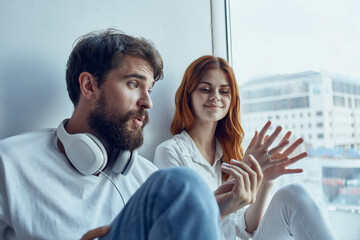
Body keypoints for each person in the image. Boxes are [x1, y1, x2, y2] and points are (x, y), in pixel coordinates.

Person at [0, 30, 228, 240]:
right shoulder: (9, 164)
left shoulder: (146, 177)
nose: (148, 102)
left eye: (149, 90)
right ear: (89, 86)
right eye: (133, 84)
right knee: (184, 183)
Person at [154, 55, 337, 240]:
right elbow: (180, 228)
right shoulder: (170, 152)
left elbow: (246, 230)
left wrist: (265, 180)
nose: (215, 96)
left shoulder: (231, 153)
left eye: (224, 91)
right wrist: (233, 185)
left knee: (294, 193)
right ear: (188, 96)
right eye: (205, 89)